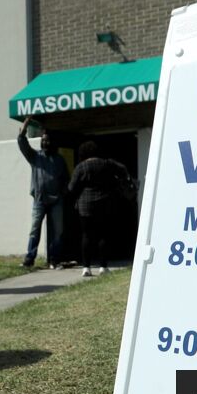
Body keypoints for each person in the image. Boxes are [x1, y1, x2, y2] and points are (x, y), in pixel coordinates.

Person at [68, 141, 132, 277]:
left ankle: (86, 267)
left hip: (85, 206)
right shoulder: (107, 163)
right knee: (103, 235)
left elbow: (71, 188)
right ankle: (103, 266)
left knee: (87, 235)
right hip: (105, 203)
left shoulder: (81, 167)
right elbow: (123, 169)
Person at [17, 115, 68, 268]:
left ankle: (54, 259)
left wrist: (62, 193)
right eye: (43, 140)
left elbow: (66, 178)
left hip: (56, 200)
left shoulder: (59, 159)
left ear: (52, 142)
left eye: (47, 140)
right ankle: (29, 258)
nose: (45, 142)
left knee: (57, 231)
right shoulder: (35, 156)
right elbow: (22, 144)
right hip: (39, 199)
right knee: (34, 229)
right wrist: (24, 128)